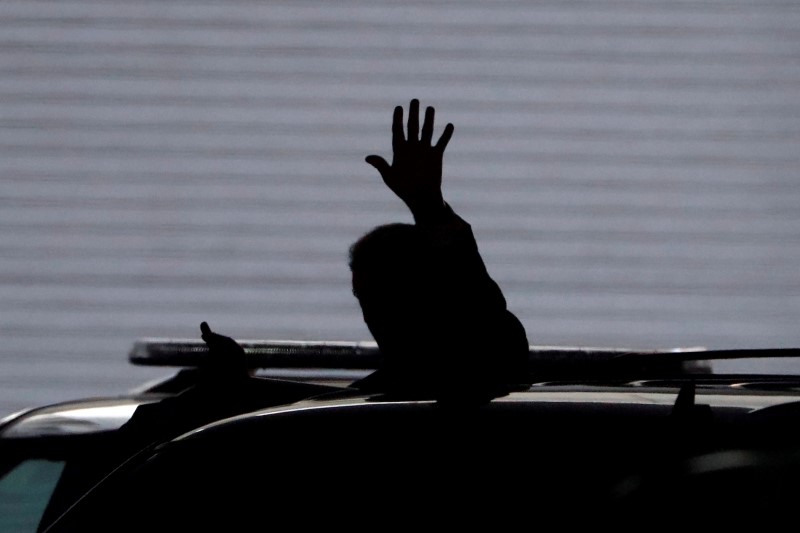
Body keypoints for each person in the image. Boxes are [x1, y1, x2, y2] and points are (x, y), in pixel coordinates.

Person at [349, 99, 529, 403]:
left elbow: (490, 326)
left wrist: (428, 206)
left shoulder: (482, 372)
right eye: (365, 300)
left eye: (387, 297)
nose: (373, 317)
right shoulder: (363, 402)